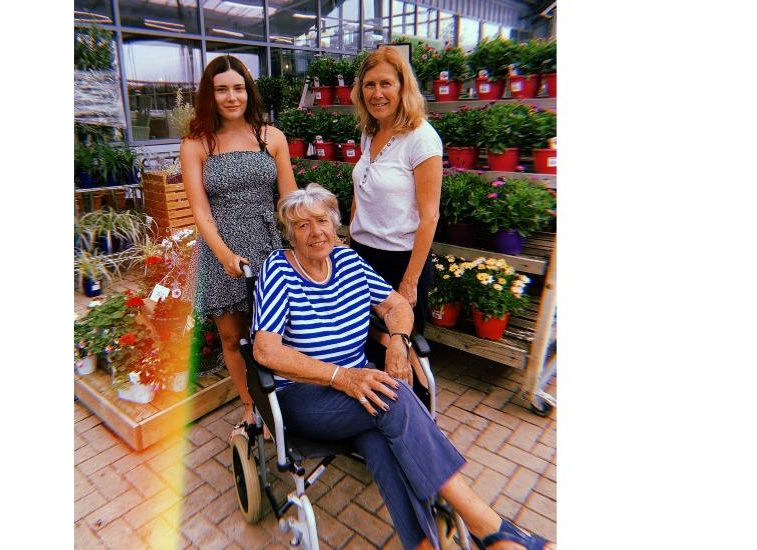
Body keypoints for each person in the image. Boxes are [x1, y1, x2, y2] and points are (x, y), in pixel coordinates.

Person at [252, 184, 553, 550]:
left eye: (321, 221)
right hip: (306, 395)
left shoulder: (347, 261)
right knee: (394, 399)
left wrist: (398, 340)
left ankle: (426, 543)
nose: (315, 232)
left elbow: (398, 306)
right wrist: (341, 377)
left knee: (380, 434)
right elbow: (266, 351)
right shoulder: (278, 268)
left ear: (335, 224)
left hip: (360, 387)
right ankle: (488, 525)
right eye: (302, 226)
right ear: (290, 234)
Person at [181, 55, 297, 438]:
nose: (232, 97)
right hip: (222, 251)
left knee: (277, 334)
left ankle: (283, 400)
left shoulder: (271, 137)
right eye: (221, 89)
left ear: (248, 90)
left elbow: (289, 199)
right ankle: (251, 408)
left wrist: (308, 239)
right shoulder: (196, 143)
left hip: (268, 246)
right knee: (233, 337)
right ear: (209, 95)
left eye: (238, 88)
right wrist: (225, 254)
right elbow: (200, 211)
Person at [348, 46, 442, 335]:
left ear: (403, 87)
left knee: (404, 352)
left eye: (386, 83)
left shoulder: (421, 138)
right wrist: (350, 246)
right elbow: (360, 193)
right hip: (363, 257)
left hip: (401, 261)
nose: (377, 93)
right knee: (367, 345)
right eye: (369, 84)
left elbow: (430, 217)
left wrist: (409, 281)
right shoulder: (370, 131)